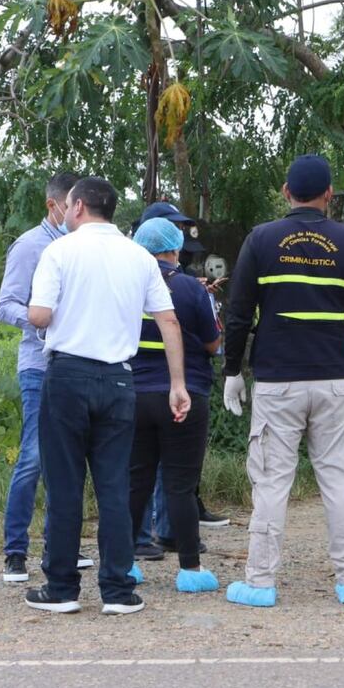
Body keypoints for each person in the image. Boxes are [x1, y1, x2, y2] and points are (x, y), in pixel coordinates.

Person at [24, 177, 190, 615]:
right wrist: (178, 385)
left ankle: (61, 587)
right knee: (115, 486)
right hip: (120, 380)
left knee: (64, 486)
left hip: (67, 377)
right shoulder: (139, 257)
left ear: (76, 207)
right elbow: (168, 321)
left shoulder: (58, 251)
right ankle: (117, 589)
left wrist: (44, 313)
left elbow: (40, 314)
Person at [221, 154, 344, 607]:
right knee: (337, 481)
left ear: (286, 193)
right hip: (335, 382)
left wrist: (233, 370)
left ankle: (260, 583)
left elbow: (237, 314)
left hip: (278, 383)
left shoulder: (262, 239)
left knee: (271, 483)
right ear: (330, 194)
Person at [0, 172, 96, 583]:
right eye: (71, 205)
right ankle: (15, 552)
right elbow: (5, 304)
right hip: (40, 365)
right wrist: (42, 324)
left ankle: (61, 548)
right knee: (34, 457)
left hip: (78, 363)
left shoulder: (84, 247)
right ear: (54, 205)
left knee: (69, 459)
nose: (76, 212)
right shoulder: (31, 245)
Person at [127, 218, 222, 592]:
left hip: (132, 394)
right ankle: (190, 570)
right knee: (180, 485)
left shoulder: (124, 285)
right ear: (175, 250)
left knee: (136, 482)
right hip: (184, 393)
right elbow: (214, 344)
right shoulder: (189, 289)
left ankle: (125, 565)